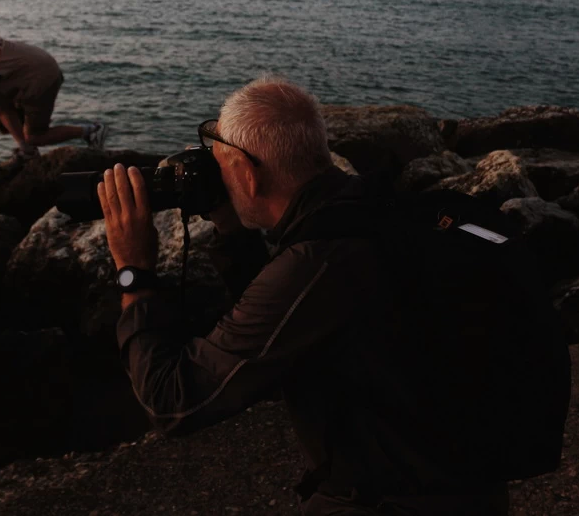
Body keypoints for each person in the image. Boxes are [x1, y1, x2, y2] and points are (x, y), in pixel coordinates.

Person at [97, 76, 509, 515]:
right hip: (468, 485)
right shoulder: (371, 211)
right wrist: (231, 227)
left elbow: (173, 400)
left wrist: (134, 272)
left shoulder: (319, 261)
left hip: (396, 500)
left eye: (220, 165)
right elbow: (286, 323)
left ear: (246, 176)